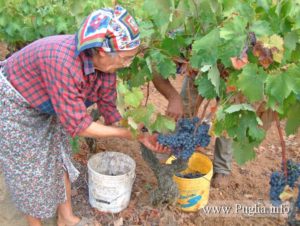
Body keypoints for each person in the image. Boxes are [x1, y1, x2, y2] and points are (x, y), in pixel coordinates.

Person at [0, 6, 158, 226]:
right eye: (126, 58)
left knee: (59, 154)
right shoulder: (63, 63)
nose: (127, 63)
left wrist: (140, 134)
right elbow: (81, 126)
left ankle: (66, 218)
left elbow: (109, 111)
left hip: (47, 103)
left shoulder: (105, 69)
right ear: (103, 52)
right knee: (29, 173)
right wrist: (125, 134)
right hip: (15, 104)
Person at [152, 73, 232, 188]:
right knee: (185, 105)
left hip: (231, 72)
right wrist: (174, 98)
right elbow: (155, 72)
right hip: (200, 67)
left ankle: (222, 168)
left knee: (227, 116)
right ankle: (175, 148)